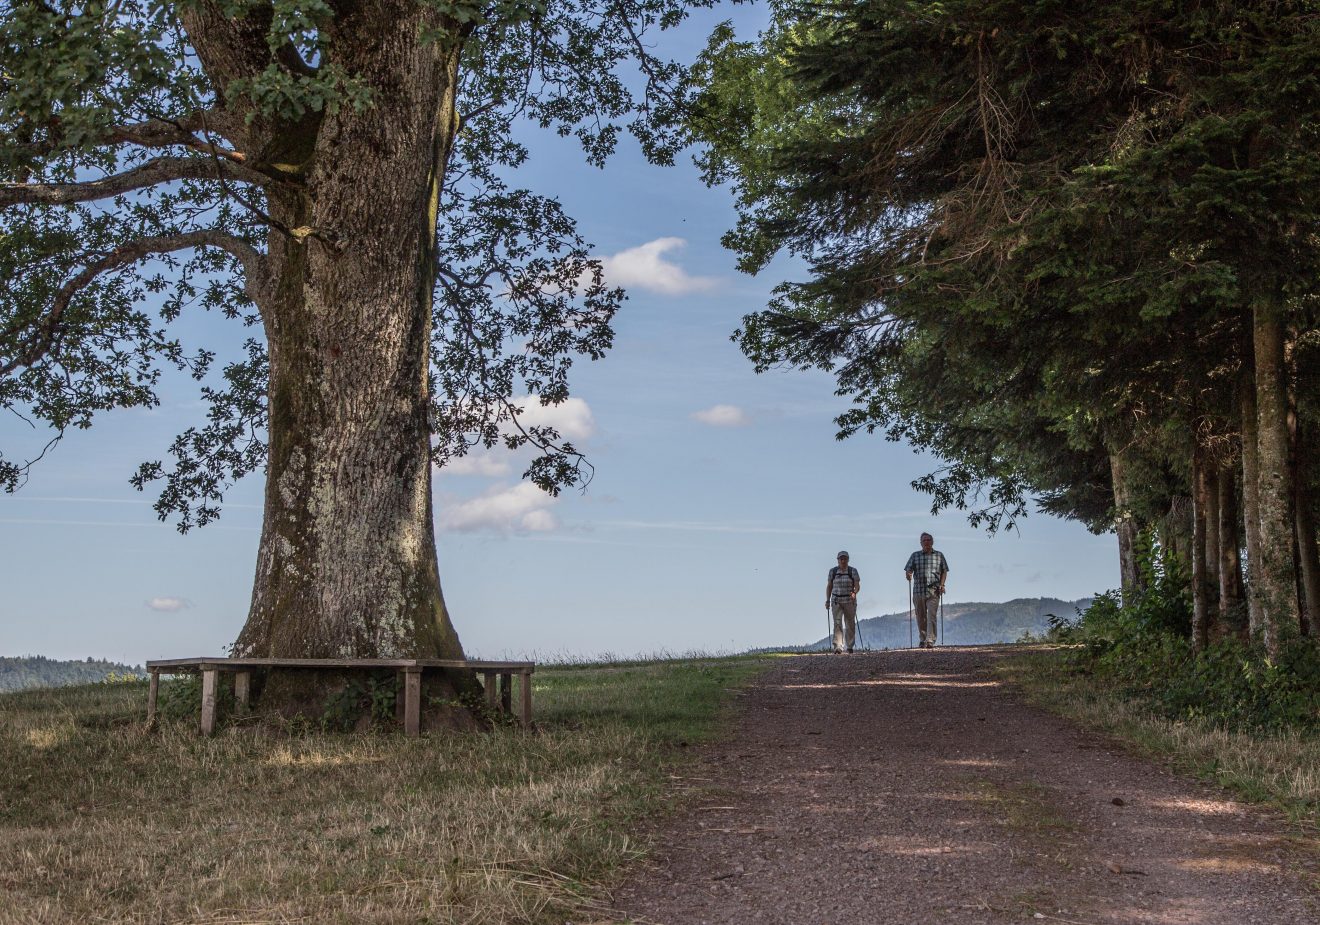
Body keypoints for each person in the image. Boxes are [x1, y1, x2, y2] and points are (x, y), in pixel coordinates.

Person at [904, 533, 949, 648]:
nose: (927, 542)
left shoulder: (939, 555)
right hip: (918, 591)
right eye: (924, 540)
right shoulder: (915, 555)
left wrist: (942, 584)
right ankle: (923, 638)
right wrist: (908, 574)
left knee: (931, 615)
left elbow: (944, 571)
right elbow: (908, 569)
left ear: (932, 542)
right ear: (921, 543)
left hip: (934, 590)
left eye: (929, 540)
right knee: (921, 617)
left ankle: (930, 640)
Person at [825, 551, 860, 653]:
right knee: (837, 623)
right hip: (836, 600)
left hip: (849, 600)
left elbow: (857, 585)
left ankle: (849, 646)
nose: (843, 561)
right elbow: (829, 586)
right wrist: (827, 600)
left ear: (848, 560)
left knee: (850, 623)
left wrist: (854, 592)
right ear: (838, 560)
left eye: (845, 559)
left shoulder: (853, 571)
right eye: (841, 559)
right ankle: (838, 647)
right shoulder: (833, 571)